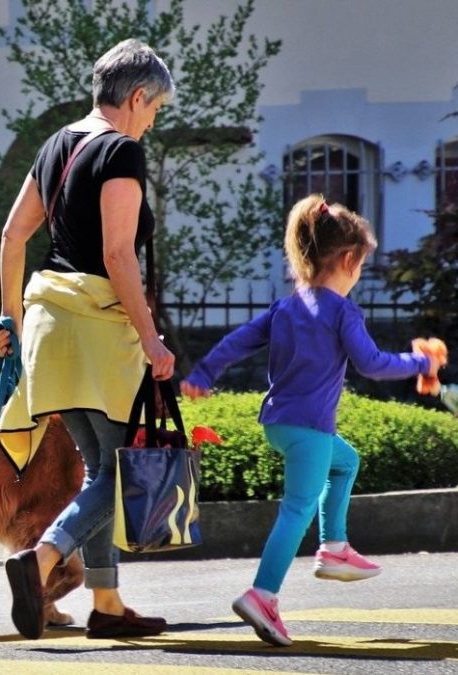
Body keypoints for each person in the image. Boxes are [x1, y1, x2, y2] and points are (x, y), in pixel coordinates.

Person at [180, 194, 446, 647]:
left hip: (279, 425)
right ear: (347, 259)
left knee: (345, 462)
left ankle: (335, 547)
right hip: (309, 430)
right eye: (360, 264)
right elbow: (372, 364)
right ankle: (263, 594)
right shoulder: (342, 311)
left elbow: (238, 340)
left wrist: (204, 373)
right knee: (297, 508)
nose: (359, 273)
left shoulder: (286, 307)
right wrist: (421, 363)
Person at [0, 39, 175, 641]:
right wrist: (152, 340)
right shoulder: (121, 151)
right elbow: (117, 253)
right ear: (138, 95)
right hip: (98, 325)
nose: (152, 121)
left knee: (100, 468)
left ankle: (109, 606)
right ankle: (41, 560)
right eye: (155, 109)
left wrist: (11, 322)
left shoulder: (56, 145)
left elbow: (14, 236)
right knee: (122, 473)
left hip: (49, 323)